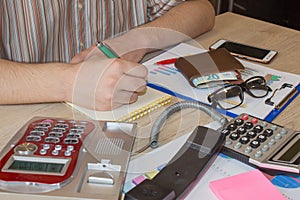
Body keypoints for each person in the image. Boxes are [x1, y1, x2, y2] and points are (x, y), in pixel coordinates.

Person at [0, 0, 215, 111]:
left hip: (127, 111)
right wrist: (71, 82)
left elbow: (201, 10)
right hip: (30, 114)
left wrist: (135, 41)